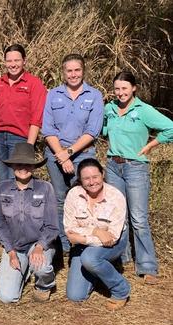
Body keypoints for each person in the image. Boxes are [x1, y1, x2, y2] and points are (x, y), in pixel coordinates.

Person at [103, 71, 173, 285]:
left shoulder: (143, 110)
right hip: (113, 166)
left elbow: (170, 127)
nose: (121, 93)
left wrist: (152, 144)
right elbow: (105, 130)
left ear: (134, 88)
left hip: (135, 168)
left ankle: (147, 266)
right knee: (118, 216)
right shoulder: (110, 108)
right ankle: (120, 260)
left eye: (125, 88)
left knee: (139, 218)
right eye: (117, 89)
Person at [41, 54, 104, 255]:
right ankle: (64, 244)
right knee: (60, 199)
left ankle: (85, 242)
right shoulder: (53, 94)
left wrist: (68, 153)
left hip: (83, 155)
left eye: (77, 70)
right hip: (55, 155)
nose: (73, 74)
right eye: (69, 70)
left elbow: (92, 130)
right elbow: (47, 128)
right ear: (63, 72)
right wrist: (60, 154)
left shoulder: (94, 95)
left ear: (83, 71)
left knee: (84, 198)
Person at [0, 143, 59, 303]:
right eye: (19, 164)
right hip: (15, 247)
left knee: (42, 269)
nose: (23, 168)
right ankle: (25, 267)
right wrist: (11, 251)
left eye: (27, 164)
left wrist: (39, 247)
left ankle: (43, 286)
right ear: (13, 166)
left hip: (38, 244)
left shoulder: (45, 188)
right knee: (7, 297)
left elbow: (52, 226)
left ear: (34, 167)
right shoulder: (2, 188)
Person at [64, 158, 130, 310]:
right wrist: (96, 231)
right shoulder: (74, 195)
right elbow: (69, 229)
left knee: (90, 258)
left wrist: (81, 238)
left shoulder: (116, 196)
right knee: (75, 296)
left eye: (95, 177)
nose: (92, 182)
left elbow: (111, 237)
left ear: (103, 175)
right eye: (86, 178)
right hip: (86, 243)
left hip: (114, 242)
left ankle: (120, 289)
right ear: (80, 180)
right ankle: (99, 270)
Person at [0, 44, 47, 182]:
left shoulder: (34, 84)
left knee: (18, 179)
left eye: (16, 60)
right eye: (9, 61)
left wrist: (29, 147)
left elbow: (36, 119)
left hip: (20, 140)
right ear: (5, 62)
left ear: (24, 60)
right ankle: (5, 203)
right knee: (3, 179)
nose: (13, 65)